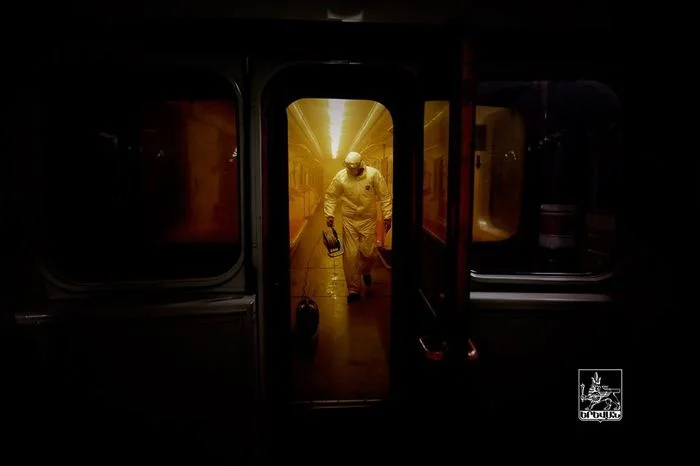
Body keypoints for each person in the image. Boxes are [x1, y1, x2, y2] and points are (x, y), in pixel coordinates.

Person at [324, 151, 392, 303]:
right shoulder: (341, 176)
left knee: (369, 253)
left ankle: (366, 270)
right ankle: (353, 289)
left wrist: (387, 216)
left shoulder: (373, 175)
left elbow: (384, 195)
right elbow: (331, 195)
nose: (350, 171)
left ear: (360, 165)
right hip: (349, 220)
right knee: (350, 255)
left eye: (352, 168)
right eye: (348, 168)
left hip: (368, 220)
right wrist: (329, 214)